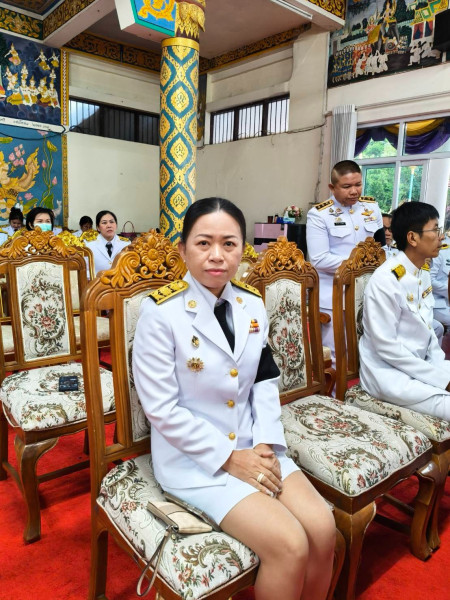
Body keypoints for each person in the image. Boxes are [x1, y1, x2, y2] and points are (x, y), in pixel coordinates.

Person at [132, 198, 335, 600]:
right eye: (203, 243)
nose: (217, 255)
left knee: (323, 527)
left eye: (229, 244)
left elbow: (264, 380)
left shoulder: (251, 303)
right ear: (183, 249)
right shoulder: (161, 312)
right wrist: (229, 457)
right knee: (290, 544)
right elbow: (161, 409)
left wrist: (265, 443)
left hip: (254, 444)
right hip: (195, 460)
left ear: (243, 249)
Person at [359, 202, 450, 420]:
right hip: (389, 375)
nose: (441, 237)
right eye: (435, 230)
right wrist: (442, 380)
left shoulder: (422, 273)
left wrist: (440, 370)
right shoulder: (386, 280)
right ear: (412, 238)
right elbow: (386, 347)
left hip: (421, 367)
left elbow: (429, 333)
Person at [306, 160, 383, 364]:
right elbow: (319, 258)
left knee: (367, 349)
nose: (354, 191)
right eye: (347, 186)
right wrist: (359, 264)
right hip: (334, 294)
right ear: (332, 187)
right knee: (337, 355)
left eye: (358, 184)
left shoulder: (371, 208)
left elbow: (380, 248)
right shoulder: (320, 214)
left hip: (368, 291)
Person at [85, 210, 129, 276]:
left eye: (112, 222)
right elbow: (86, 271)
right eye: (104, 223)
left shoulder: (126, 244)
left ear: (116, 225)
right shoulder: (89, 246)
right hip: (97, 281)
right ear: (98, 228)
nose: (109, 226)